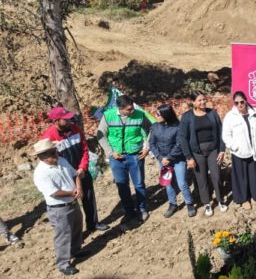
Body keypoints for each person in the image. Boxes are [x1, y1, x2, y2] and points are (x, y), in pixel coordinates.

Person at [41, 106, 105, 232]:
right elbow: (50, 161)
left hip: (81, 171)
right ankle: (75, 234)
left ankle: (93, 224)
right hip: (65, 176)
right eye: (65, 119)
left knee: (88, 197)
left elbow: (85, 149)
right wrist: (71, 173)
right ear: (56, 121)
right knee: (71, 203)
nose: (69, 121)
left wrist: (82, 167)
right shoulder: (48, 138)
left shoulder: (75, 129)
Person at [97, 94, 152, 227]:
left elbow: (150, 130)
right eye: (128, 109)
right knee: (122, 186)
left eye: (132, 107)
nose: (132, 111)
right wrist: (110, 152)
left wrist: (147, 147)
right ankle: (129, 211)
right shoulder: (108, 116)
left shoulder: (139, 115)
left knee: (139, 184)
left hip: (135, 155)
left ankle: (142, 209)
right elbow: (100, 135)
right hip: (116, 158)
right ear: (120, 108)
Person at [31, 138, 83, 275]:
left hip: (73, 202)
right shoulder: (40, 173)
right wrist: (72, 193)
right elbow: (54, 192)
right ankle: (63, 264)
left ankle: (76, 251)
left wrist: (78, 188)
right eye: (52, 153)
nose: (56, 154)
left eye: (55, 151)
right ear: (42, 157)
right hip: (59, 208)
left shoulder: (62, 160)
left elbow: (75, 174)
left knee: (77, 227)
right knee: (63, 236)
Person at [179, 91, 227, 218]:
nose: (203, 102)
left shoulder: (212, 113)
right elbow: (183, 138)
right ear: (193, 102)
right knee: (202, 179)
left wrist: (222, 149)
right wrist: (189, 157)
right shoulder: (187, 117)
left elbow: (221, 131)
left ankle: (220, 200)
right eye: (199, 100)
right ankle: (207, 203)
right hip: (197, 153)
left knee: (216, 176)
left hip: (213, 150)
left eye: (204, 99)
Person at [149, 104, 195, 218]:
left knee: (182, 183)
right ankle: (172, 204)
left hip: (177, 159)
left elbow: (179, 144)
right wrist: (161, 158)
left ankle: (189, 203)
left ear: (166, 115)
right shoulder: (155, 127)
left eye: (158, 114)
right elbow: (152, 143)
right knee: (168, 183)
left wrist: (169, 157)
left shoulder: (178, 127)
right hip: (163, 160)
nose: (155, 116)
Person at [222, 91, 256, 210]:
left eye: (242, 102)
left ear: (246, 101)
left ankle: (255, 196)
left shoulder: (255, 113)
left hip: (253, 150)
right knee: (241, 177)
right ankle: (243, 199)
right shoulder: (230, 116)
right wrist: (234, 146)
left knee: (254, 175)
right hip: (239, 152)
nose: (240, 105)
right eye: (236, 103)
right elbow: (226, 135)